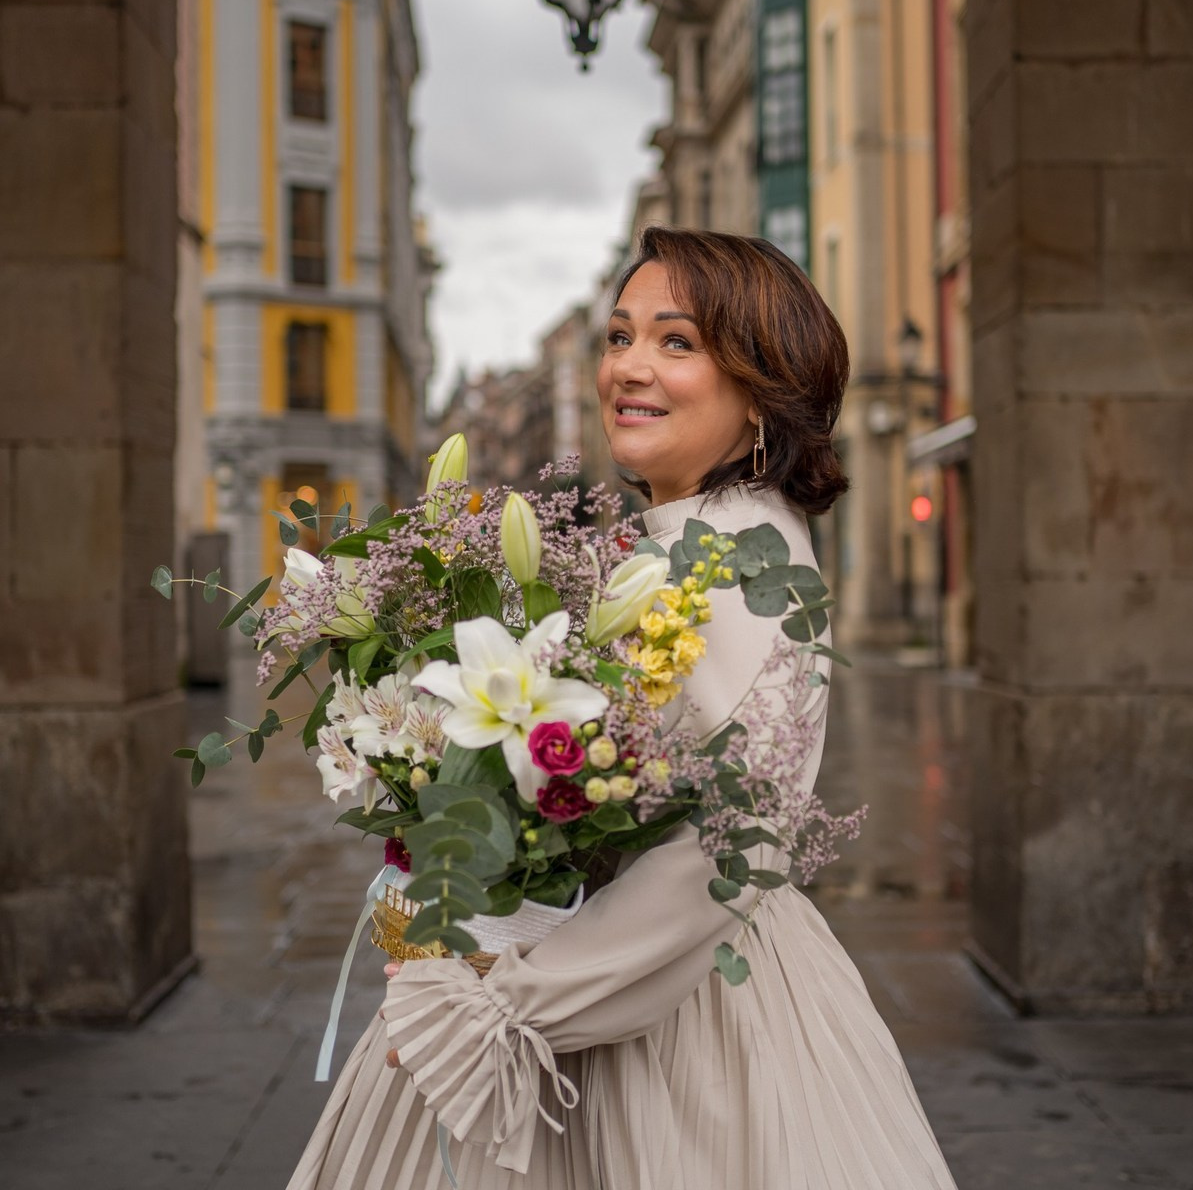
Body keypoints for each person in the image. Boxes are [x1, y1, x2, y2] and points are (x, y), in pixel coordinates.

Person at [288, 226, 958, 1189]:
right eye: (618, 336)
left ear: (762, 385)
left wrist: (506, 1007)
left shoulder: (740, 559)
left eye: (677, 342)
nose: (630, 368)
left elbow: (735, 844)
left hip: (671, 1008)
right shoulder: (683, 541)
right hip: (603, 968)